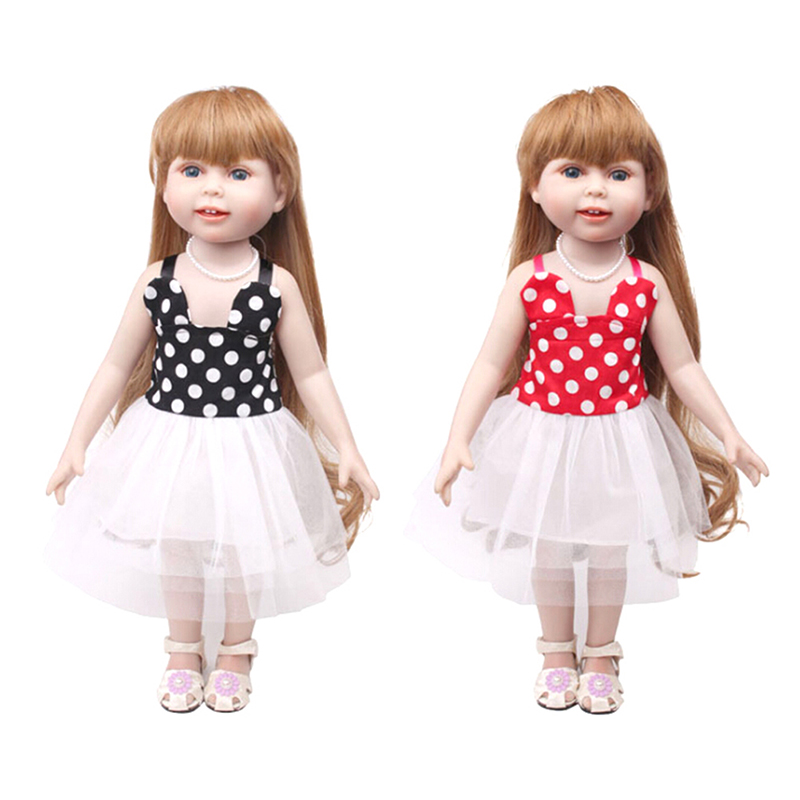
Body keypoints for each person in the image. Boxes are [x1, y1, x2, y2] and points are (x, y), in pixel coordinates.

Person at [406, 86, 768, 714]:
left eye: (618, 174)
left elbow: (682, 367)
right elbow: (490, 364)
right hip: (540, 434)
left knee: (607, 549)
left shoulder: (646, 284)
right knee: (548, 544)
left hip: (620, 439)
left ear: (649, 193)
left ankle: (600, 654)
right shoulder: (531, 279)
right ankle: (555, 652)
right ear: (535, 187)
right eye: (572, 172)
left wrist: (729, 433)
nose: (595, 190)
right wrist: (458, 438)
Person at [45, 87, 379, 713]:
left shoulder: (274, 286)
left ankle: (234, 650)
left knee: (245, 544)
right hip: (168, 438)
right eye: (192, 170)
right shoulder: (158, 281)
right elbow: (115, 365)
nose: (213, 190)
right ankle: (181, 648)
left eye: (239, 174)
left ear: (280, 192)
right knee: (179, 543)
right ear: (163, 183)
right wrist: (75, 443)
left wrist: (349, 449)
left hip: (252, 440)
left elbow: (311, 374)